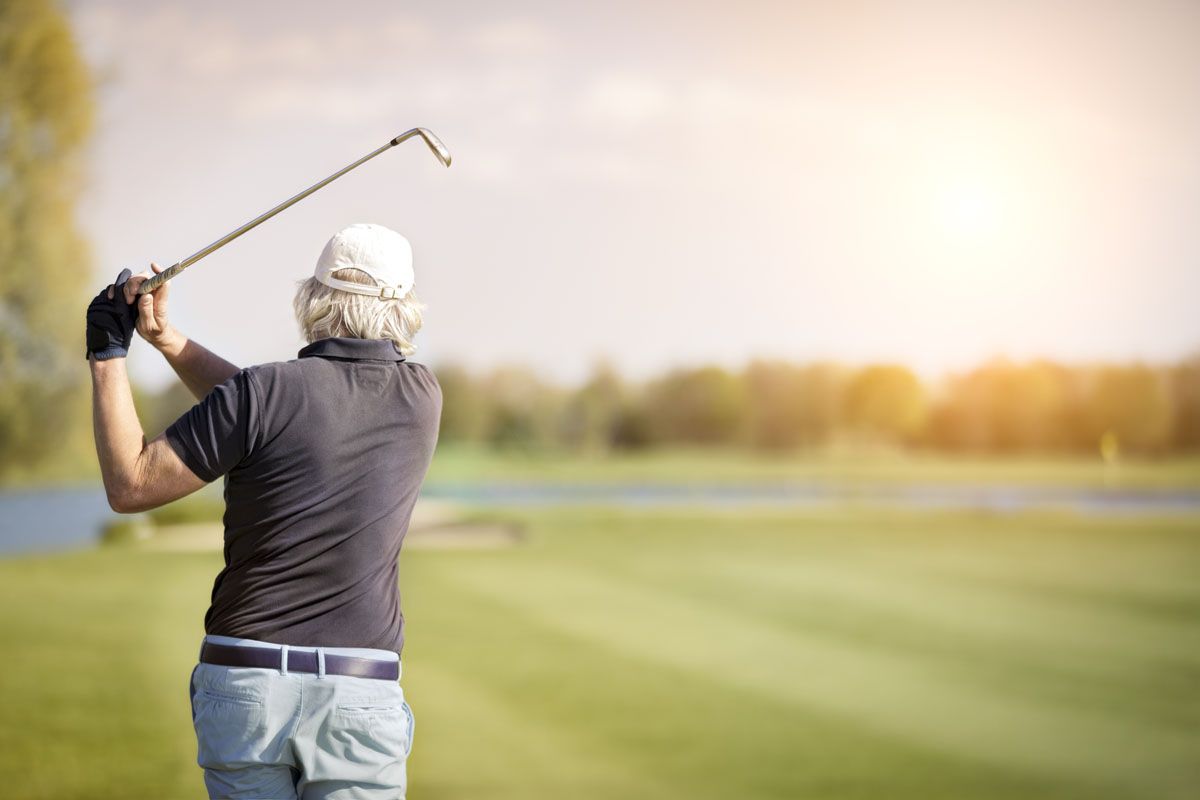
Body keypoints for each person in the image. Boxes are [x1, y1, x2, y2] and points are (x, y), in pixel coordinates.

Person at [85, 223, 443, 799]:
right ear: (404, 309)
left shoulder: (264, 395)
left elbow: (132, 484)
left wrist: (108, 353)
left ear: (313, 298)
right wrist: (169, 340)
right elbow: (267, 412)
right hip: (359, 692)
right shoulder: (421, 396)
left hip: (245, 681)